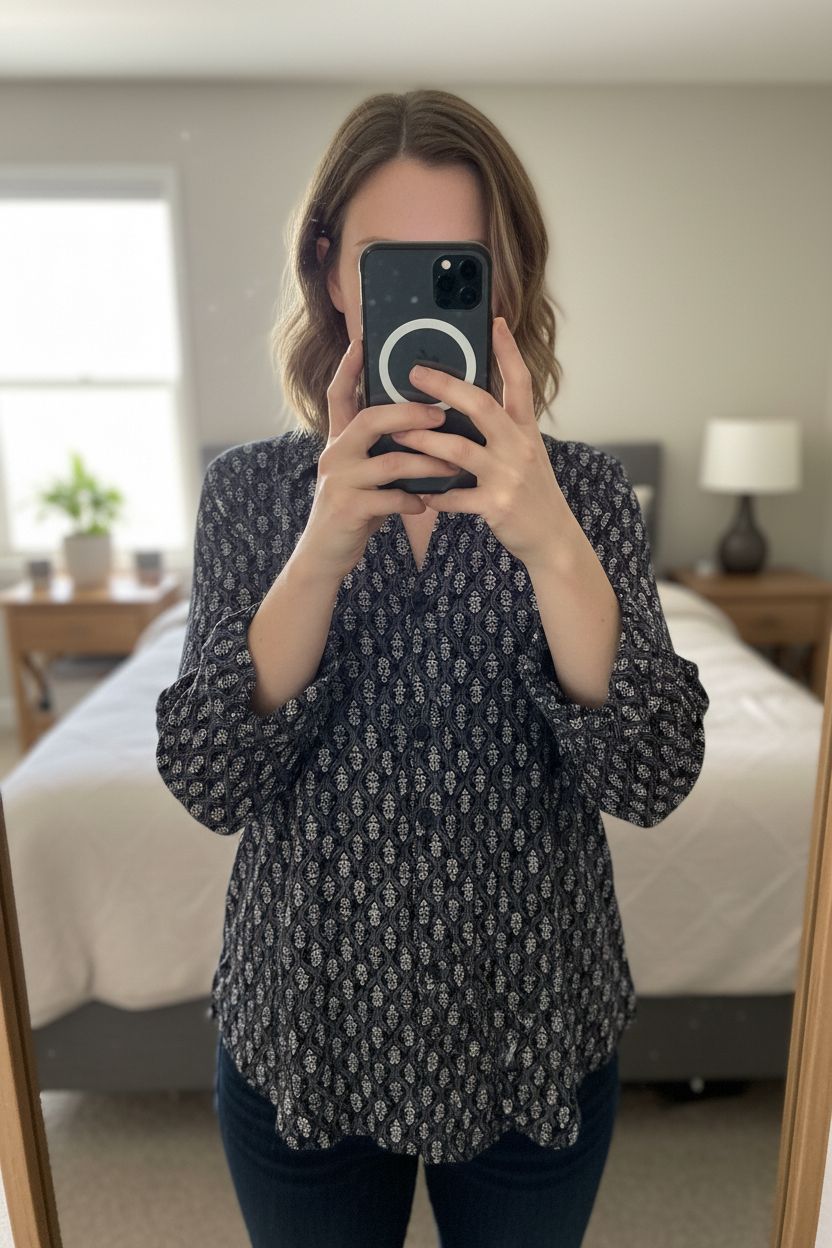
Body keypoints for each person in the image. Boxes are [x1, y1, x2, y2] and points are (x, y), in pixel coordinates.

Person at [155, 88, 710, 1248]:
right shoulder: (252, 493)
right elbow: (210, 781)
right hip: (305, 1032)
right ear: (331, 271)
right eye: (385, 262)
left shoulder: (585, 494)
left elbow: (652, 777)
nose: (420, 299)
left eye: (456, 264)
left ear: (504, 280)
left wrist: (551, 542)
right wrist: (319, 548)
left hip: (532, 1035)